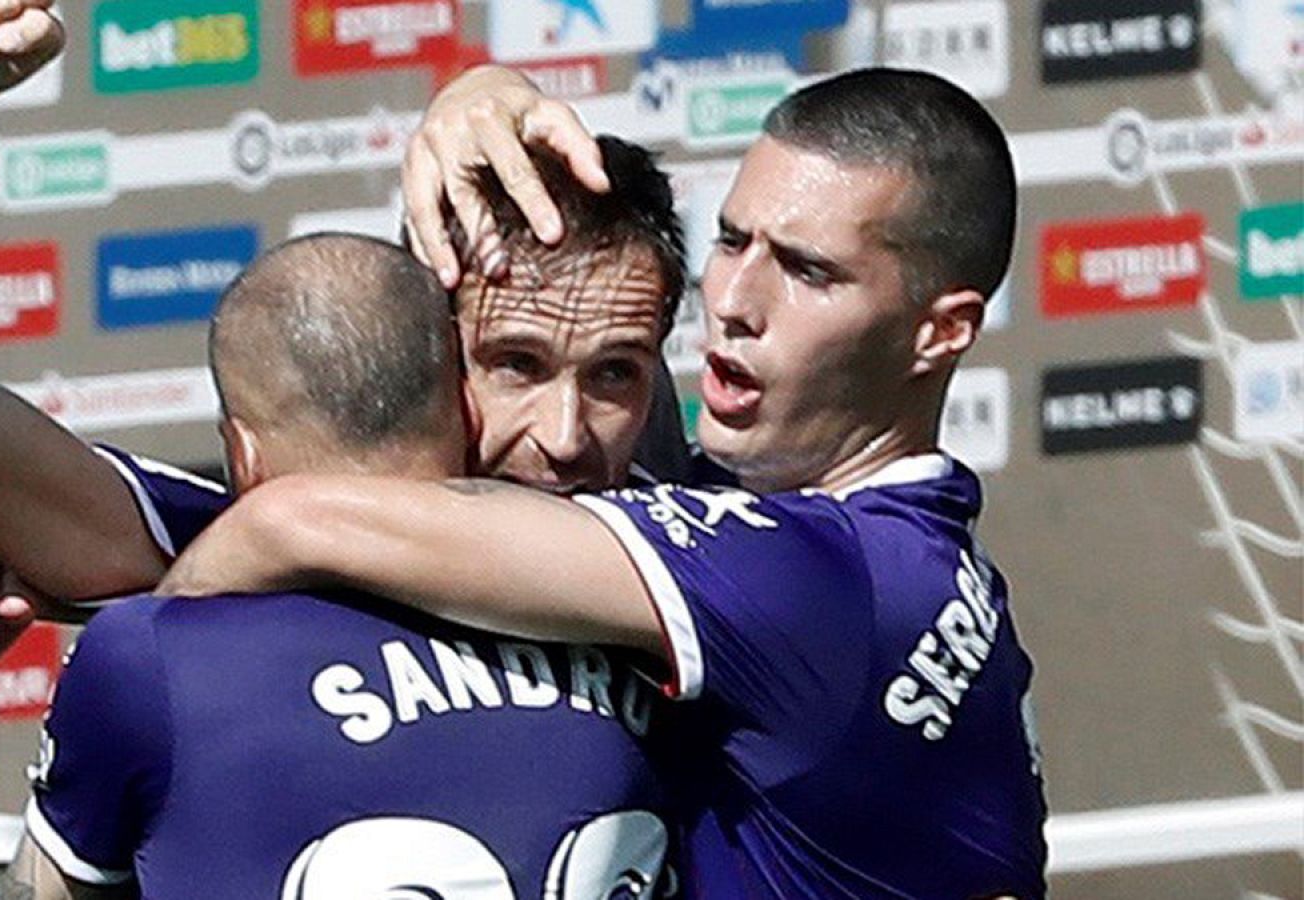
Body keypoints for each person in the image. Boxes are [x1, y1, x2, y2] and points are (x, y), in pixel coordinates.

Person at [149, 66, 1050, 897]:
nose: (734, 299)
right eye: (734, 240)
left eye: (809, 271)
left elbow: (300, 523)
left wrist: (177, 609)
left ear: (940, 332)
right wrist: (482, 92)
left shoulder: (823, 583)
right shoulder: (805, 530)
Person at [0, 0, 687, 747]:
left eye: (615, 377)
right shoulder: (256, 536)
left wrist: (488, 84)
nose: (566, 436)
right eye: (515, 366)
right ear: (429, 352)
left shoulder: (716, 547)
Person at [0, 233, 672, 898]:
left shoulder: (147, 656)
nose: (561, 437)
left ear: (243, 456)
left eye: (613, 373)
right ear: (466, 412)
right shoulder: (664, 610)